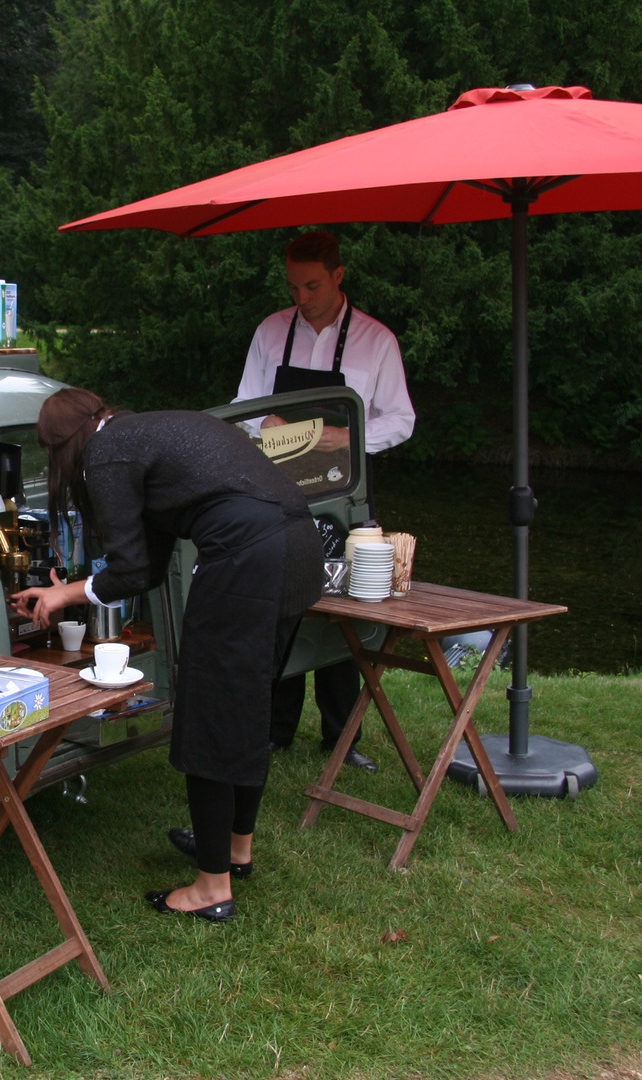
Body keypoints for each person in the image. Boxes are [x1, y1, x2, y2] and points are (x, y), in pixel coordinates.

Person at [10, 388, 326, 923]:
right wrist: (70, 592)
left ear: (63, 446)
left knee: (209, 713)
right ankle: (233, 849)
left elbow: (132, 571)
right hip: (299, 547)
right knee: (246, 704)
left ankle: (210, 888)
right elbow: (149, 566)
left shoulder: (105, 455)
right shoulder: (147, 430)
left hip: (245, 559)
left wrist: (66, 593)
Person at [234, 231, 416, 772]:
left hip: (345, 489)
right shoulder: (271, 331)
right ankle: (275, 729)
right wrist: (258, 420)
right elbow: (241, 403)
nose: (302, 297)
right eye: (293, 286)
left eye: (312, 285)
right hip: (278, 485)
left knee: (346, 609)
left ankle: (343, 737)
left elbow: (402, 420)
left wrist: (350, 436)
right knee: (280, 604)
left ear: (339, 276)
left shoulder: (376, 340)